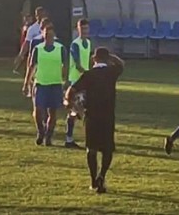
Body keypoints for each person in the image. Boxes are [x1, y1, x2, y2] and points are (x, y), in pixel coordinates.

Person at [65, 47, 124, 194]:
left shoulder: (88, 75)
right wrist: (111, 57)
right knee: (107, 149)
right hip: (108, 116)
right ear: (107, 59)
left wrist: (71, 105)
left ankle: (93, 180)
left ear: (94, 59)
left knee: (91, 149)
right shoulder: (111, 72)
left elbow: (71, 90)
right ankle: (102, 175)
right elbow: (121, 64)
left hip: (92, 116)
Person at [22, 24, 68, 146]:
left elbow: (65, 66)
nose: (49, 37)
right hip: (41, 83)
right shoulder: (38, 49)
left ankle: (48, 136)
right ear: (43, 35)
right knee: (38, 110)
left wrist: (65, 80)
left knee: (52, 112)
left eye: (51, 35)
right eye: (46, 35)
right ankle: (41, 131)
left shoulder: (60, 48)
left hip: (55, 83)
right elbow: (31, 66)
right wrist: (27, 82)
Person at [65, 19, 93, 149]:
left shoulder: (88, 43)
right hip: (76, 81)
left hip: (85, 81)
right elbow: (77, 64)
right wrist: (87, 74)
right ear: (78, 29)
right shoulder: (75, 44)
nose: (85, 31)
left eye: (86, 29)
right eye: (82, 29)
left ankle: (82, 137)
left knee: (82, 110)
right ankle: (69, 138)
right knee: (75, 110)